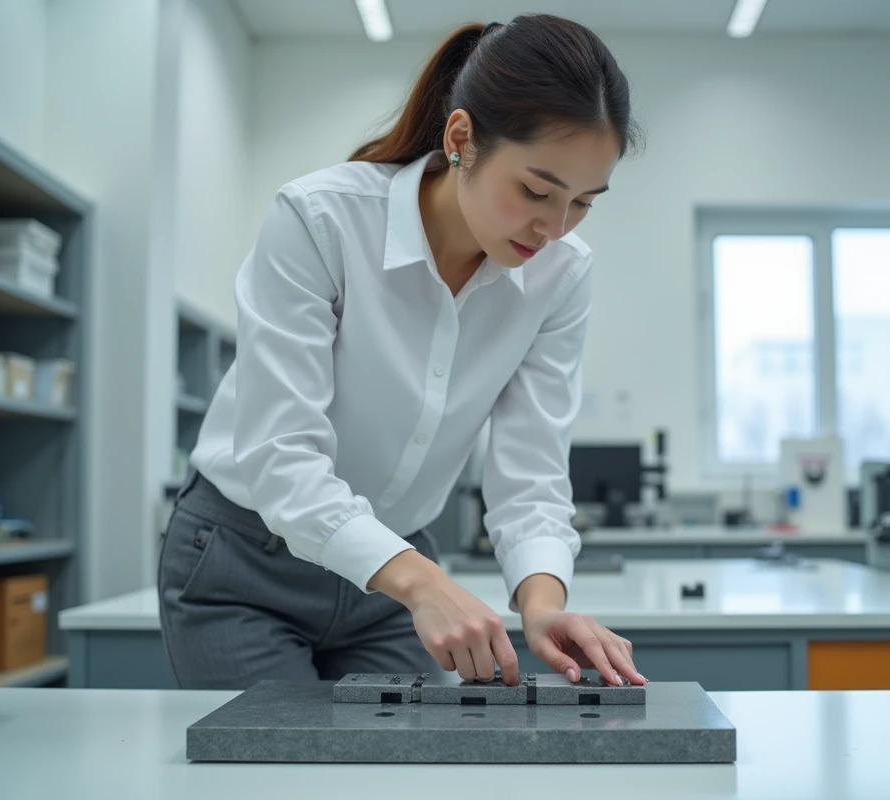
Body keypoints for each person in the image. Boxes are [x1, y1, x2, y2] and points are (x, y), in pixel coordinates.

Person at [157, 14, 645, 691]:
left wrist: (542, 603)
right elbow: (281, 455)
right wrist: (423, 584)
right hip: (248, 560)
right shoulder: (320, 221)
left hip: (391, 578)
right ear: (462, 139)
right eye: (536, 190)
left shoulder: (560, 274)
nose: (555, 227)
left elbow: (531, 475)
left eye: (584, 202)